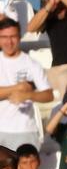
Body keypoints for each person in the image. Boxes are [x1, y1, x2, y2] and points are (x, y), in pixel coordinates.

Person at [0, 17, 52, 151]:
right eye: (4, 37)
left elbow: (48, 95)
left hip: (25, 131)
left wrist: (28, 95)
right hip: (1, 130)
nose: (9, 42)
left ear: (19, 37)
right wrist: (18, 88)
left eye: (13, 37)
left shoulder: (31, 64)